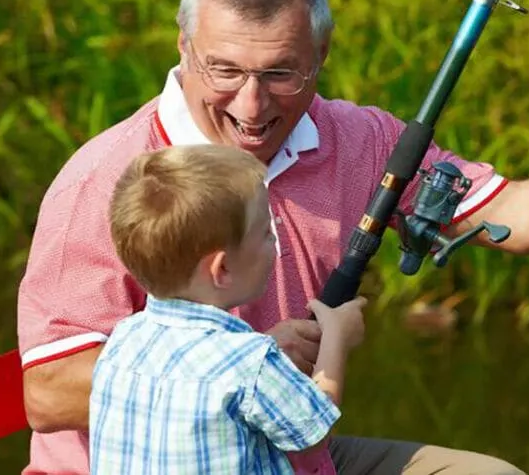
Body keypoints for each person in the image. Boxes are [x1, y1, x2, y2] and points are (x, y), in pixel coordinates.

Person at [17, 0, 529, 475]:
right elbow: (46, 393)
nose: (250, 105)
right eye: (225, 70)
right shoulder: (109, 179)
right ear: (183, 49)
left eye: (281, 72)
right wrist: (255, 366)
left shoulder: (359, 139)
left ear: (322, 54)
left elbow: (516, 212)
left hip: (295, 456)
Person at [90, 144, 367, 474]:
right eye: (266, 233)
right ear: (222, 269)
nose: (274, 244)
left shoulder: (123, 340)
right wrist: (337, 337)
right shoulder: (252, 362)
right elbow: (313, 438)